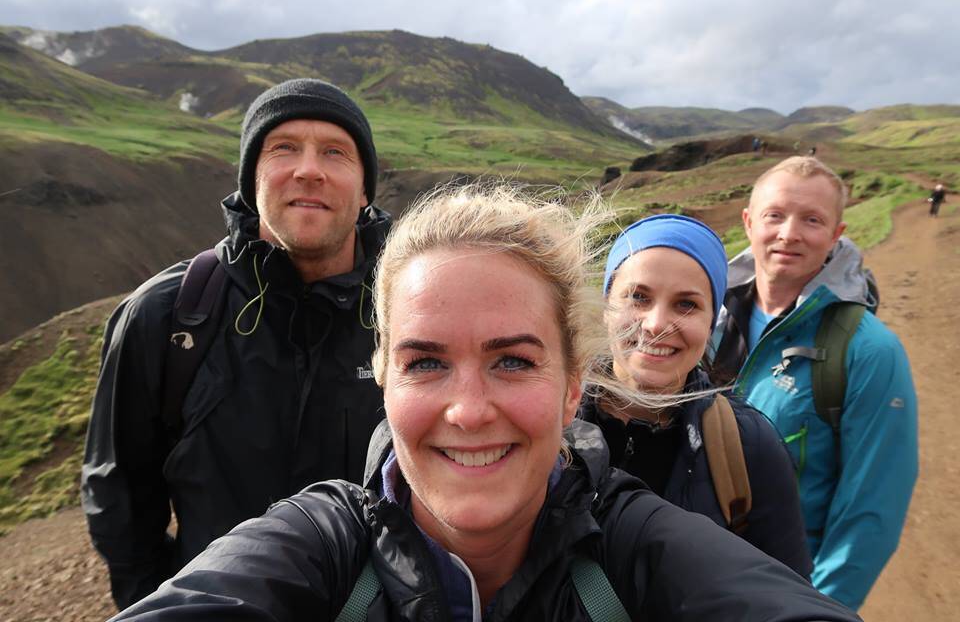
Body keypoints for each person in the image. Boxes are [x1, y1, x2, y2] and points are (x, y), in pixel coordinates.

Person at [110, 183, 859, 621]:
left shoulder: (638, 551)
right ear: (383, 376)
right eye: (426, 360)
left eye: (512, 360)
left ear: (573, 387)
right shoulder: (323, 546)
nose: (468, 410)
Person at [81, 78, 392, 610]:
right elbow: (121, 496)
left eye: (336, 153)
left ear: (364, 189)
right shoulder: (167, 315)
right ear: (251, 178)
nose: (309, 169)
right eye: (283, 148)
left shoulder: (406, 313)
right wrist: (163, 603)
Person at [712, 156, 918, 609]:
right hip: (689, 577)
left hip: (780, 594)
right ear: (748, 222)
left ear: (835, 236)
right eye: (775, 215)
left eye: (812, 220)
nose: (789, 233)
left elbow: (870, 513)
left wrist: (814, 612)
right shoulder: (704, 318)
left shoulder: (870, 352)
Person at [579, 214, 812, 577]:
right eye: (638, 297)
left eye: (686, 304)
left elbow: (786, 590)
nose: (656, 324)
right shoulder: (546, 420)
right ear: (607, 305)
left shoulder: (749, 446)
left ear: (710, 321)